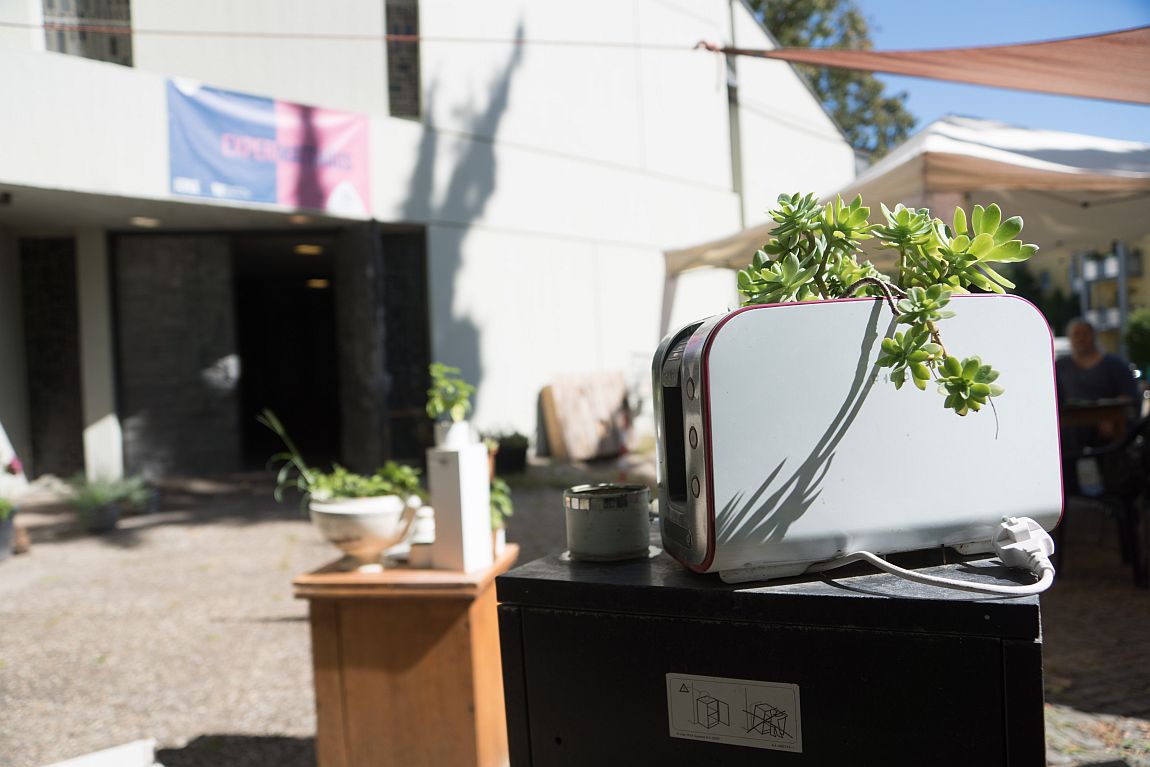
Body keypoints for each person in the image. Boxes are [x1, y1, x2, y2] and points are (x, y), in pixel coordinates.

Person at [1056, 318, 1140, 494]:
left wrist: (1112, 419)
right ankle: (1070, 495)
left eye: (1084, 334)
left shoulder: (1114, 365)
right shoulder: (1060, 367)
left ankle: (1116, 497)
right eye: (1075, 335)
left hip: (1108, 432)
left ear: (1093, 336)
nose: (1080, 339)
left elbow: (1130, 396)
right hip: (1071, 431)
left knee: (1114, 464)